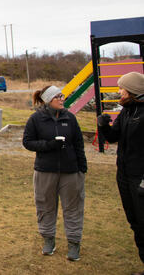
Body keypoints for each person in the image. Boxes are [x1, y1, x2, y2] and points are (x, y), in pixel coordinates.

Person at [22, 85, 87, 261]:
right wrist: (49, 145)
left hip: (70, 171)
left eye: (62, 96)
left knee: (73, 208)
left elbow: (79, 144)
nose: (61, 99)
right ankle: (48, 240)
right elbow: (27, 142)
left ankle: (74, 243)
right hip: (45, 171)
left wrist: (82, 168)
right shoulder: (36, 119)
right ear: (48, 100)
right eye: (57, 96)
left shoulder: (70, 118)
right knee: (45, 206)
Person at [97, 72, 144, 274]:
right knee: (135, 222)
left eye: (121, 88)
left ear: (132, 90)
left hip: (140, 178)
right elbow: (114, 136)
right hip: (124, 175)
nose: (119, 92)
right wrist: (104, 126)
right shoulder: (126, 111)